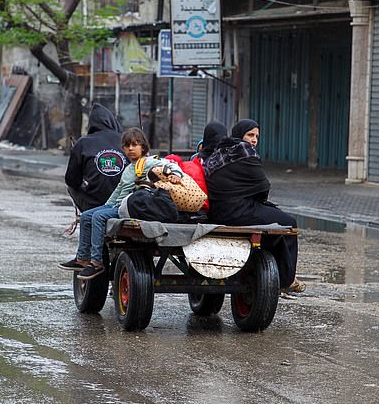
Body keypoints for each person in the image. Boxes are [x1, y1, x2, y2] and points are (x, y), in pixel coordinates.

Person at [65, 127, 183, 280]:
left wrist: (176, 175)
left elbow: (170, 164)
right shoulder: (129, 167)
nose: (130, 149)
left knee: (98, 218)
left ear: (143, 147)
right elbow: (118, 191)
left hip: (129, 208)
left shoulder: (147, 162)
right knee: (87, 216)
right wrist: (105, 206)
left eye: (135, 145)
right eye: (127, 146)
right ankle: (82, 259)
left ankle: (96, 263)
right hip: (116, 205)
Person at [204, 118, 303, 292]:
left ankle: (267, 270)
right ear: (239, 135)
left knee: (274, 215)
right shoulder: (245, 151)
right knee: (288, 223)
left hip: (216, 213)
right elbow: (263, 187)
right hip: (240, 212)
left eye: (257, 136)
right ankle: (286, 280)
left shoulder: (217, 154)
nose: (254, 140)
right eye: (250, 134)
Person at [64, 102, 127, 212]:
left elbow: (71, 181)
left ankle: (89, 214)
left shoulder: (83, 143)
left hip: (94, 204)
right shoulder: (127, 141)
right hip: (124, 202)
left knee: (72, 189)